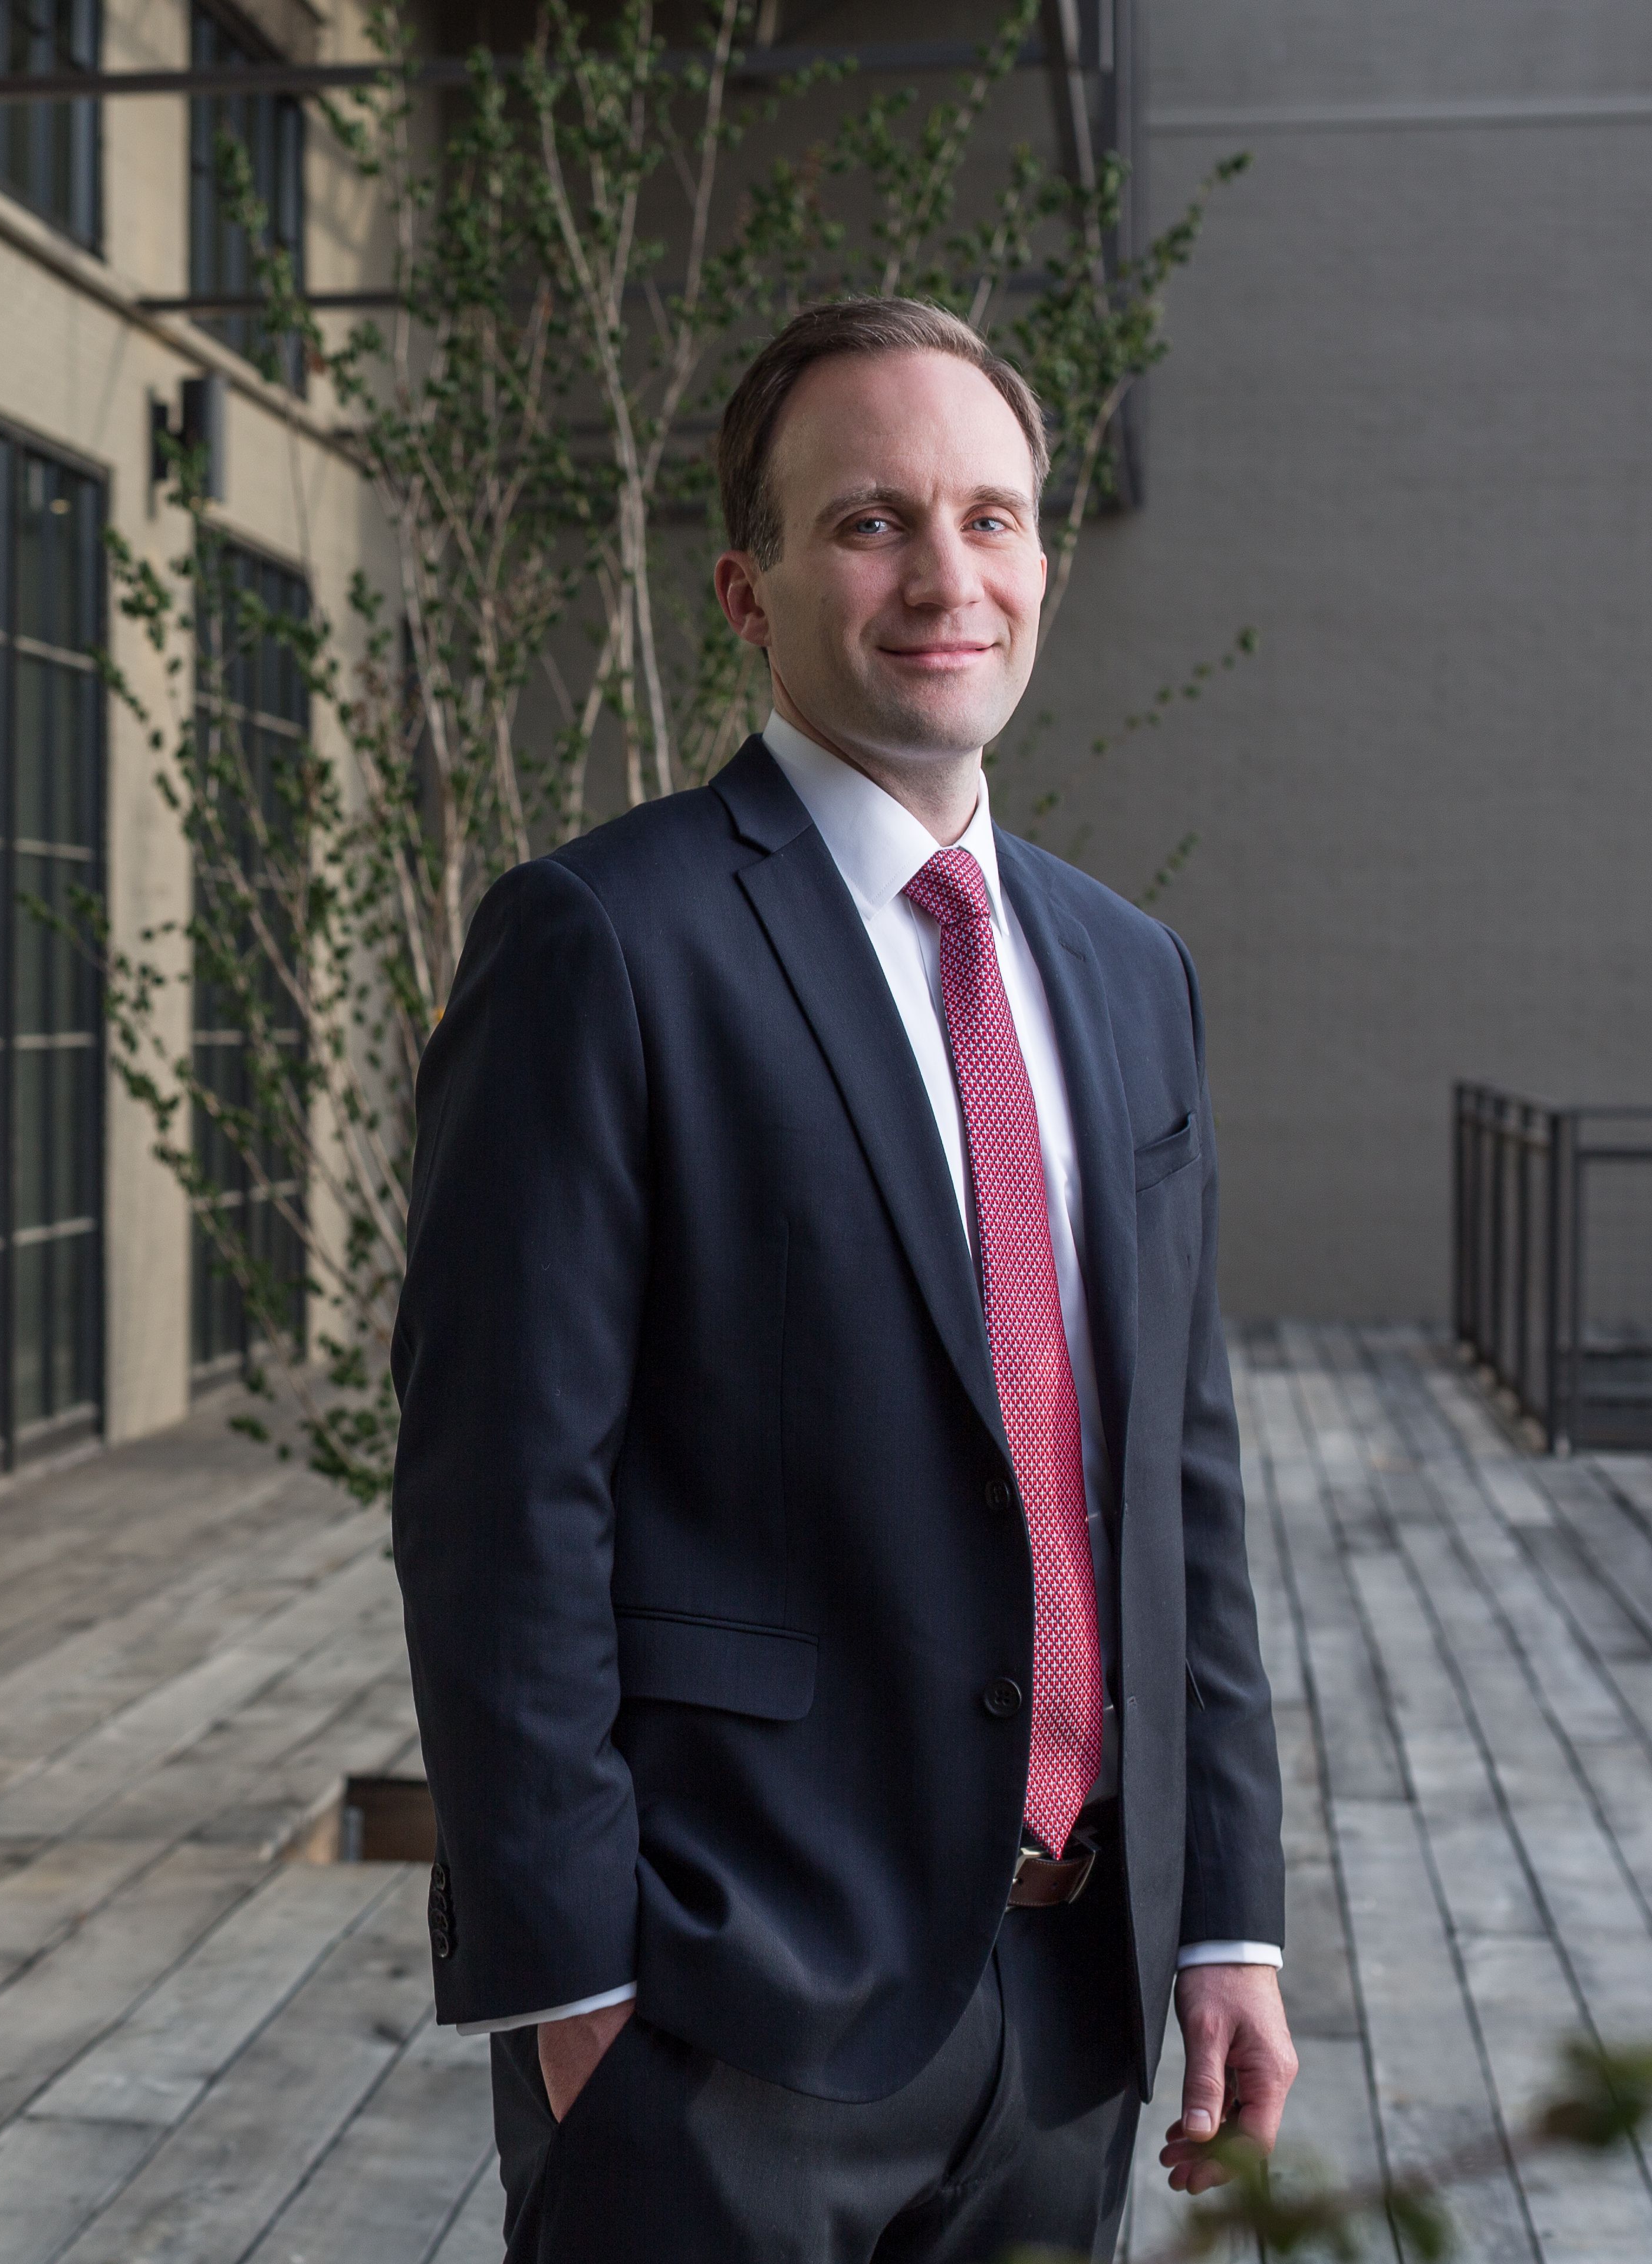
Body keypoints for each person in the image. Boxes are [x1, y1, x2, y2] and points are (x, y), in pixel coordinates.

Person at [389, 297, 1296, 2262]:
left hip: (1070, 2005)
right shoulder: (598, 946)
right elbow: (497, 1498)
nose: (946, 575)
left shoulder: (1131, 975)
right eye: (872, 522)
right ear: (749, 587)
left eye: (993, 517)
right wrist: (576, 1994)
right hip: (722, 2011)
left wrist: (1223, 1910)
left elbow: (1179, 1487)